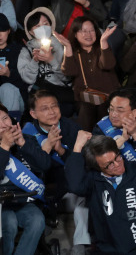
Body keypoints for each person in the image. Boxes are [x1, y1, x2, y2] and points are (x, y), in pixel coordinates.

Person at [65, 132, 136, 254]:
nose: (117, 165)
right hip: (108, 251)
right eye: (109, 165)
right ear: (98, 167)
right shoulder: (93, 180)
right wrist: (77, 148)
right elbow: (75, 186)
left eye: (117, 157)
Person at [26, 90, 89, 255]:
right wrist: (46, 148)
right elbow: (30, 169)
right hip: (41, 190)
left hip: (69, 187)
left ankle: (80, 245)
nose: (52, 111)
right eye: (45, 108)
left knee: (85, 194)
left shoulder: (72, 127)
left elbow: (81, 165)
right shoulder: (27, 133)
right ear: (33, 113)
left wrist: (60, 150)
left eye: (54, 106)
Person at [0, 103, 49, 255]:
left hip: (24, 199)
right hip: (1, 204)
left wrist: (23, 144)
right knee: (9, 224)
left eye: (5, 118)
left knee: (37, 220)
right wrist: (4, 147)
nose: (3, 125)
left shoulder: (27, 139)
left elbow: (45, 165)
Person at [56, 17, 120, 130]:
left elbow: (108, 65)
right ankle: (82, 143)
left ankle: (108, 140)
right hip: (85, 99)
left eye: (91, 30)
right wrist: (68, 47)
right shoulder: (74, 52)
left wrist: (104, 42)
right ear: (75, 34)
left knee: (103, 108)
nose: (88, 34)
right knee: (86, 108)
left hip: (108, 97)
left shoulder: (102, 47)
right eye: (83, 31)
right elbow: (69, 72)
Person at [17, 8, 74, 117]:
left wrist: (51, 60)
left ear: (51, 26)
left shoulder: (62, 45)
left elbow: (68, 77)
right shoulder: (27, 50)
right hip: (39, 92)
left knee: (64, 110)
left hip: (60, 91)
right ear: (30, 32)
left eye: (45, 24)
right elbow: (27, 78)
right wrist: (35, 61)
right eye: (37, 26)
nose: (42, 28)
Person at [0, 13, 26, 116]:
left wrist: (9, 74)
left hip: (16, 99)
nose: (0, 35)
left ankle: (11, 128)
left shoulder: (19, 51)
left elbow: (27, 81)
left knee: (7, 88)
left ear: (8, 31)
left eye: (2, 30)